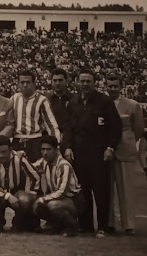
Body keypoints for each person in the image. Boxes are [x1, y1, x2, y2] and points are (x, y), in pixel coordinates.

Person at [62, 69, 122, 237]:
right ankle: (85, 225)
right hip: (79, 153)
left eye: (89, 81)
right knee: (82, 191)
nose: (85, 84)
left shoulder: (104, 101)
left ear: (95, 83)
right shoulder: (74, 102)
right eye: (82, 81)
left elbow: (115, 127)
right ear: (77, 83)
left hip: (99, 153)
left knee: (101, 191)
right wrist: (67, 147)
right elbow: (68, 129)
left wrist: (111, 147)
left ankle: (103, 225)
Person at [105, 74, 144, 235]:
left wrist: (128, 142)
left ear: (121, 87)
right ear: (105, 86)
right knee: (107, 189)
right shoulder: (102, 103)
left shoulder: (132, 105)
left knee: (126, 188)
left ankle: (129, 225)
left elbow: (138, 130)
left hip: (125, 149)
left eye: (115, 86)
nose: (112, 88)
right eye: (110, 86)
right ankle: (109, 223)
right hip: (106, 150)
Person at [0, 135, 40, 233]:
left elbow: (35, 176)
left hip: (16, 191)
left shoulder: (19, 159)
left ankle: (17, 223)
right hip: (0, 194)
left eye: (4, 152)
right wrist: (7, 196)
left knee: (24, 200)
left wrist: (33, 192)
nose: (1, 155)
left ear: (11, 149)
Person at [33, 135, 83, 237]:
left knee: (52, 205)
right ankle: (57, 226)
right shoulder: (44, 162)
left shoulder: (64, 165)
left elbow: (62, 192)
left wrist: (42, 199)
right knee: (37, 207)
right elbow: (30, 167)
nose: (45, 152)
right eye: (43, 149)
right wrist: (19, 156)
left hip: (74, 199)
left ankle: (72, 227)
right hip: (59, 198)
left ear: (56, 150)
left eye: (48, 149)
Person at [11, 69, 60, 162]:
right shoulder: (14, 99)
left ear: (34, 83)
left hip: (35, 141)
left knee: (35, 171)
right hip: (17, 141)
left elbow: (51, 125)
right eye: (22, 82)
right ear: (18, 84)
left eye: (28, 82)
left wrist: (55, 145)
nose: (25, 85)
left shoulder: (42, 100)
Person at [45, 68, 73, 142]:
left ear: (66, 81)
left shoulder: (74, 99)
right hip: (51, 137)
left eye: (60, 80)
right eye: (55, 80)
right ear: (51, 82)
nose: (57, 83)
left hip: (70, 137)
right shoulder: (46, 100)